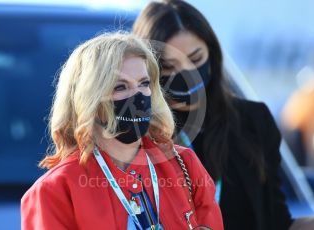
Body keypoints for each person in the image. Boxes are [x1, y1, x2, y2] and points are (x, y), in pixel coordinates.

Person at [133, 1, 314, 230]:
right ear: (148, 70)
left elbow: (277, 221)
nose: (188, 75)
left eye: (196, 59)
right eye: (170, 66)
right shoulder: (134, 136)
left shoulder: (252, 121)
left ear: (212, 55)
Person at [21, 31, 223, 230]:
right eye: (120, 87)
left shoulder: (184, 163)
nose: (138, 96)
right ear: (89, 100)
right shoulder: (55, 190)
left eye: (144, 84)